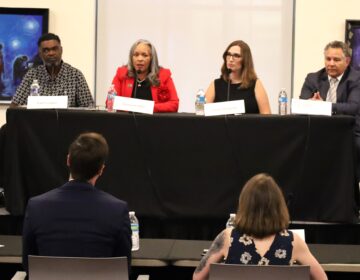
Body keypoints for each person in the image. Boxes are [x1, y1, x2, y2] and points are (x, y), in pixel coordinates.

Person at [22, 132, 132, 272]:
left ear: (68, 160)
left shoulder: (36, 206)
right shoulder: (118, 209)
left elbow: (28, 265)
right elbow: (123, 269)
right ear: (101, 169)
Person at [193, 173, 327, 280]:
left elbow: (198, 277)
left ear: (244, 205)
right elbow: (322, 278)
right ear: (278, 207)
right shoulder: (293, 241)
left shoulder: (227, 237)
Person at [300, 40, 360, 181]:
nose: (331, 63)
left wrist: (324, 106)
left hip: (348, 132)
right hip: (319, 130)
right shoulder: (313, 78)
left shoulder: (356, 79)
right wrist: (311, 104)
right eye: (328, 59)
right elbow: (302, 104)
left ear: (347, 61)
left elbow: (353, 107)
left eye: (336, 59)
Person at [11, 33, 94, 107]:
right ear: (40, 54)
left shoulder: (75, 75)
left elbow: (90, 109)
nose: (51, 53)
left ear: (61, 50)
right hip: (37, 123)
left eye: (54, 49)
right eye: (46, 50)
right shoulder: (32, 75)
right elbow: (14, 107)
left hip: (67, 123)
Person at [110, 39, 179, 113]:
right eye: (136, 55)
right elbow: (110, 101)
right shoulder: (122, 74)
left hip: (154, 123)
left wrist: (148, 107)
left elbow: (174, 104)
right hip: (126, 123)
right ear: (131, 57)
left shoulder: (163, 75)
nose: (140, 59)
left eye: (144, 55)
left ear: (152, 59)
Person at [205, 40, 271, 114]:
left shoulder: (255, 84)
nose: (230, 59)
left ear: (245, 60)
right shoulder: (215, 84)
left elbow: (266, 116)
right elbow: (203, 116)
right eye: (228, 54)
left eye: (236, 56)